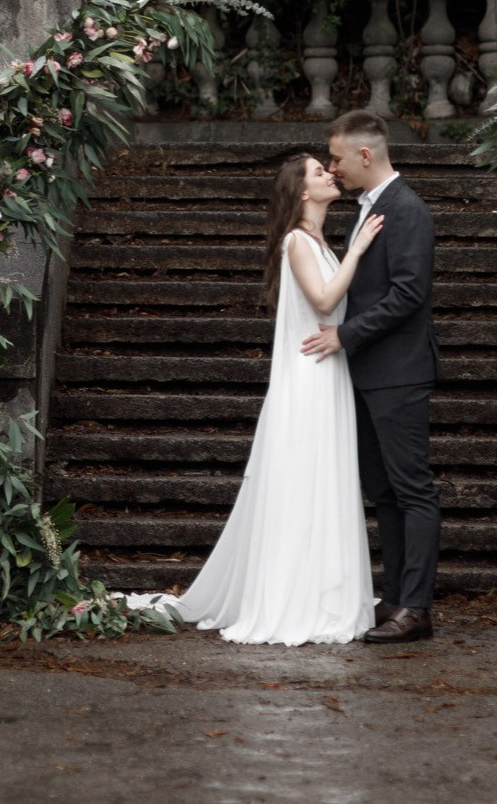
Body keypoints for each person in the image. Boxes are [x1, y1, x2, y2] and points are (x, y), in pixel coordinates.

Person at [172, 152, 383, 644]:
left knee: (323, 478)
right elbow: (325, 301)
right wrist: (359, 249)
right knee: (303, 478)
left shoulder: (317, 241)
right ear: (303, 192)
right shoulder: (297, 241)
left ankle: (317, 590)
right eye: (317, 172)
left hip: (327, 370)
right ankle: (294, 596)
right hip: (308, 377)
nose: (329, 173)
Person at [303, 108, 440, 643]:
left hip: (398, 371)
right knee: (382, 491)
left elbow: (409, 292)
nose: (332, 169)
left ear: (365, 154)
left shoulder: (407, 210)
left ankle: (418, 608)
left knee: (412, 489)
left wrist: (346, 334)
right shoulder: (370, 207)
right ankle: (396, 598)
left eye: (336, 158)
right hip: (367, 372)